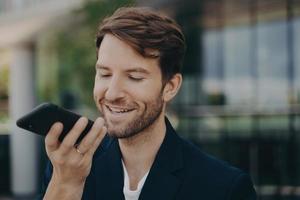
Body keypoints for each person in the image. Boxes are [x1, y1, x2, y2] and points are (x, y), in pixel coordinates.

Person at [39, 7, 257, 200]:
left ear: (170, 87)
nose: (112, 93)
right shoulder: (68, 168)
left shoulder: (224, 188)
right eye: (104, 74)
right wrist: (65, 186)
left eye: (135, 77)